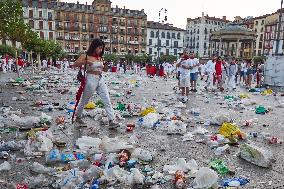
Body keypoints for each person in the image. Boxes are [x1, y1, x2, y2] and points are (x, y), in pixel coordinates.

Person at [73, 38, 119, 129]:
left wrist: (106, 65)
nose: (100, 50)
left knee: (107, 99)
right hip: (90, 78)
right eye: (99, 48)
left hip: (100, 79)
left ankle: (111, 120)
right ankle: (78, 117)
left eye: (102, 48)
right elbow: (75, 64)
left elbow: (104, 70)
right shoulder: (86, 56)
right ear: (94, 47)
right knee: (85, 100)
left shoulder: (100, 58)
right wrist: (86, 61)